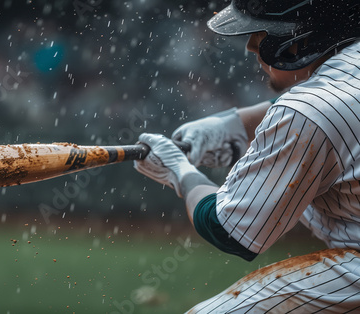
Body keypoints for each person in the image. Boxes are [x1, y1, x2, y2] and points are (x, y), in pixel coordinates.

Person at [134, 0, 360, 312]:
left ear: (304, 40)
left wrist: (179, 173)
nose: (252, 46)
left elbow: (228, 230)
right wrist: (232, 124)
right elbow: (332, 108)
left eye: (263, 32)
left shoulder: (309, 109)